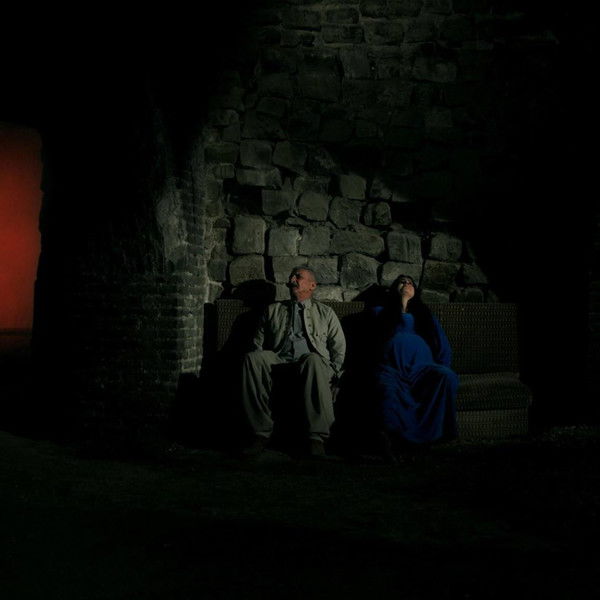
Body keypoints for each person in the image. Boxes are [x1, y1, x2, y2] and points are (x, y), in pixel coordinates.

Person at [241, 267, 346, 457]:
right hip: (280, 360)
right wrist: (261, 358)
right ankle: (260, 433)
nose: (292, 279)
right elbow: (258, 343)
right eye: (291, 276)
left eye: (298, 276)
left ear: (312, 286)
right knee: (253, 358)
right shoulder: (273, 310)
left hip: (313, 365)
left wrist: (336, 375)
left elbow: (338, 347)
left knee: (312, 359)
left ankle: (317, 438)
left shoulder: (326, 313)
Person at [371, 275, 458, 459]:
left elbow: (442, 345)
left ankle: (427, 439)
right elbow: (373, 342)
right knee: (386, 388)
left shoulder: (425, 316)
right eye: (402, 282)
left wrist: (442, 366)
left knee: (446, 376)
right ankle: (392, 441)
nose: (407, 284)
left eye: (410, 283)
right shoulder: (380, 312)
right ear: (394, 289)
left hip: (422, 369)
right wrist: (402, 303)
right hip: (391, 368)